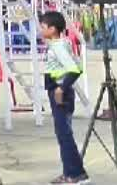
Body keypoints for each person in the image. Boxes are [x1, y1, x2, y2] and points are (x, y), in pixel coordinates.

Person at [39, 11, 90, 184]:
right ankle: (70, 171)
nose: (41, 29)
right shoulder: (63, 43)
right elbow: (77, 65)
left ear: (52, 29)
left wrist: (61, 88)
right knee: (64, 133)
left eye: (43, 27)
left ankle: (75, 173)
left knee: (64, 135)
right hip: (61, 91)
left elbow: (74, 69)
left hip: (59, 92)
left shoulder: (58, 47)